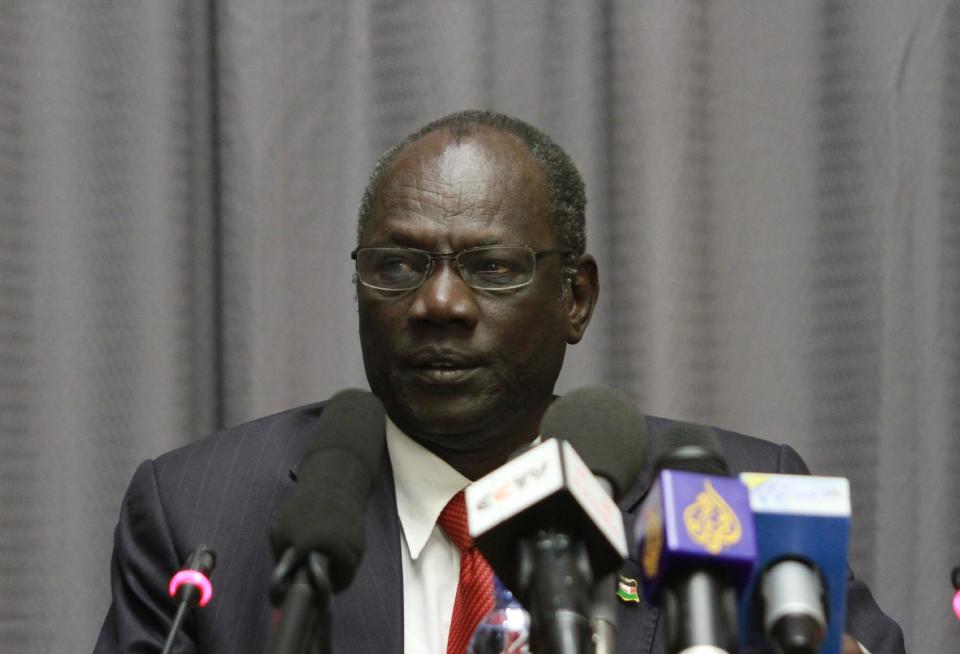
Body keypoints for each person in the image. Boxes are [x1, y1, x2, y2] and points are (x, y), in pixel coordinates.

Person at [94, 110, 904, 654]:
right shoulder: (200, 513)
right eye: (398, 266)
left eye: (490, 267)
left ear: (575, 298)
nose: (438, 304)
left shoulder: (732, 503)